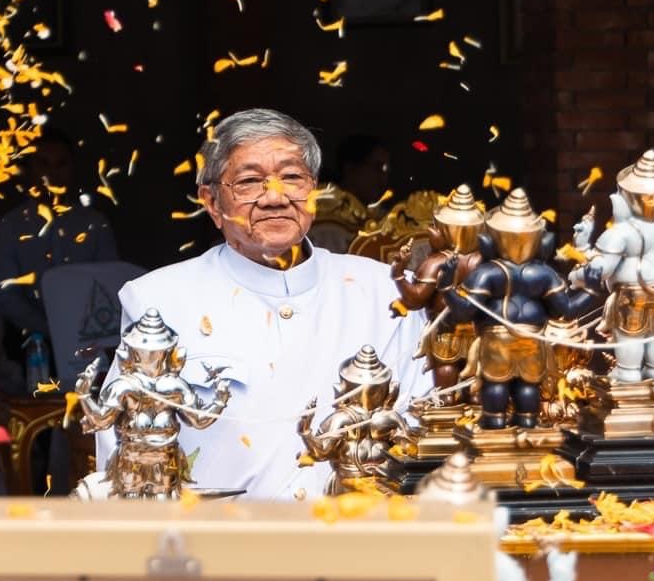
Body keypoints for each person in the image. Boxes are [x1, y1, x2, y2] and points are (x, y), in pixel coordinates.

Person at [101, 108, 427, 500]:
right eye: (250, 181)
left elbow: (419, 425)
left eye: (292, 177)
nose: (275, 197)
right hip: (218, 546)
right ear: (212, 202)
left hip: (357, 537)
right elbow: (124, 452)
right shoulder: (160, 300)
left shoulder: (383, 290)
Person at [0, 126, 119, 354]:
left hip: (92, 338)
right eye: (43, 164)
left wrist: (84, 330)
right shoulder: (6, 230)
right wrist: (51, 331)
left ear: (72, 169)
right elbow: (6, 297)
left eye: (61, 164)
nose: (52, 174)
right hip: (29, 342)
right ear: (28, 170)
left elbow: (110, 281)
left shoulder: (95, 224)